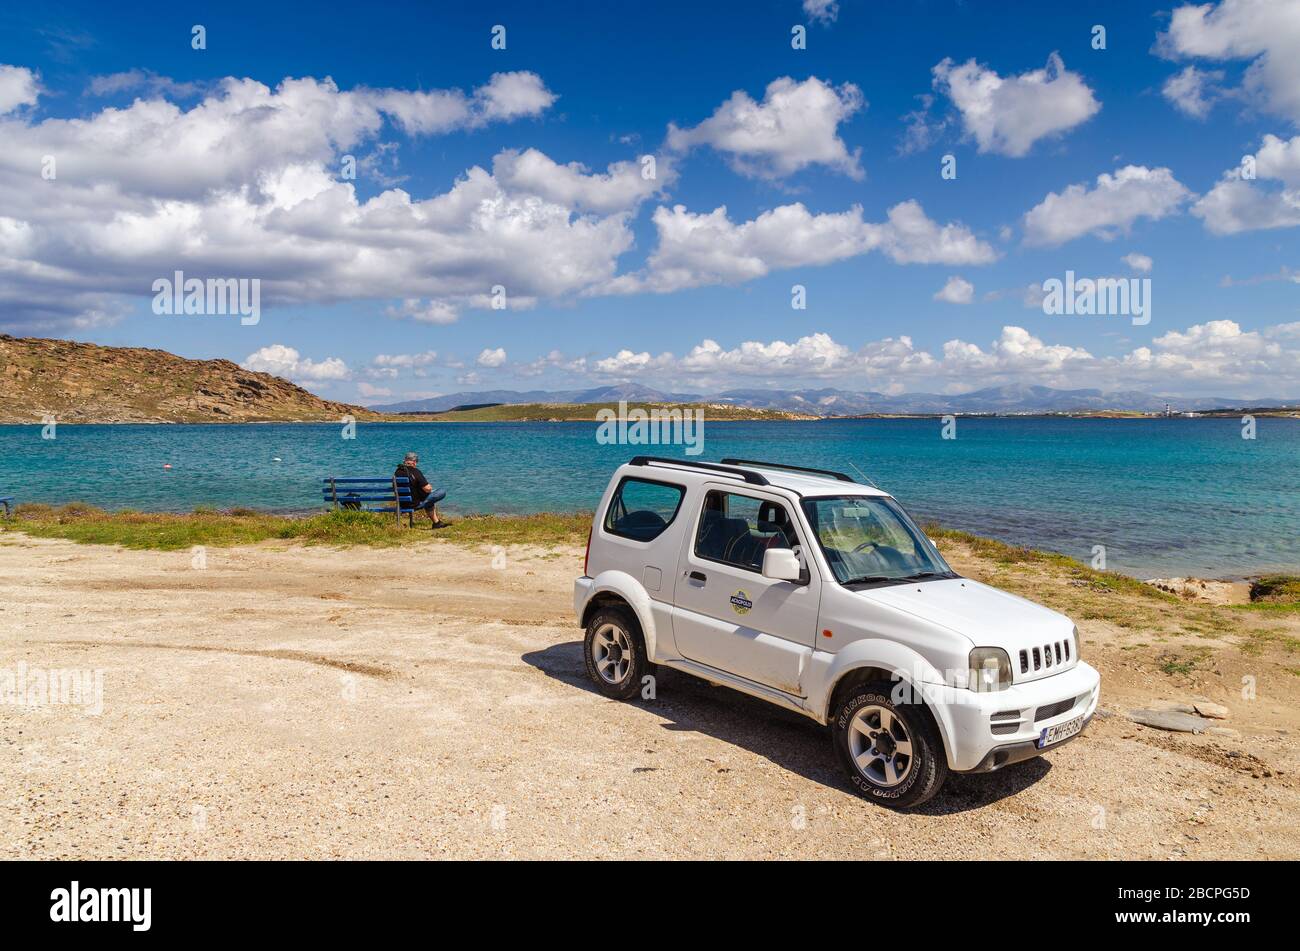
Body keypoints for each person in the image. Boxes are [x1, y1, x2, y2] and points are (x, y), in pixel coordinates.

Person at [395, 452, 447, 527]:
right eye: (416, 462)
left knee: (428, 497)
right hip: (414, 504)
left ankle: (437, 523)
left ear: (405, 461)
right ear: (414, 462)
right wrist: (429, 489)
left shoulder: (397, 472)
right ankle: (436, 523)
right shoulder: (415, 471)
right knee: (441, 492)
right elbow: (427, 488)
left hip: (402, 504)